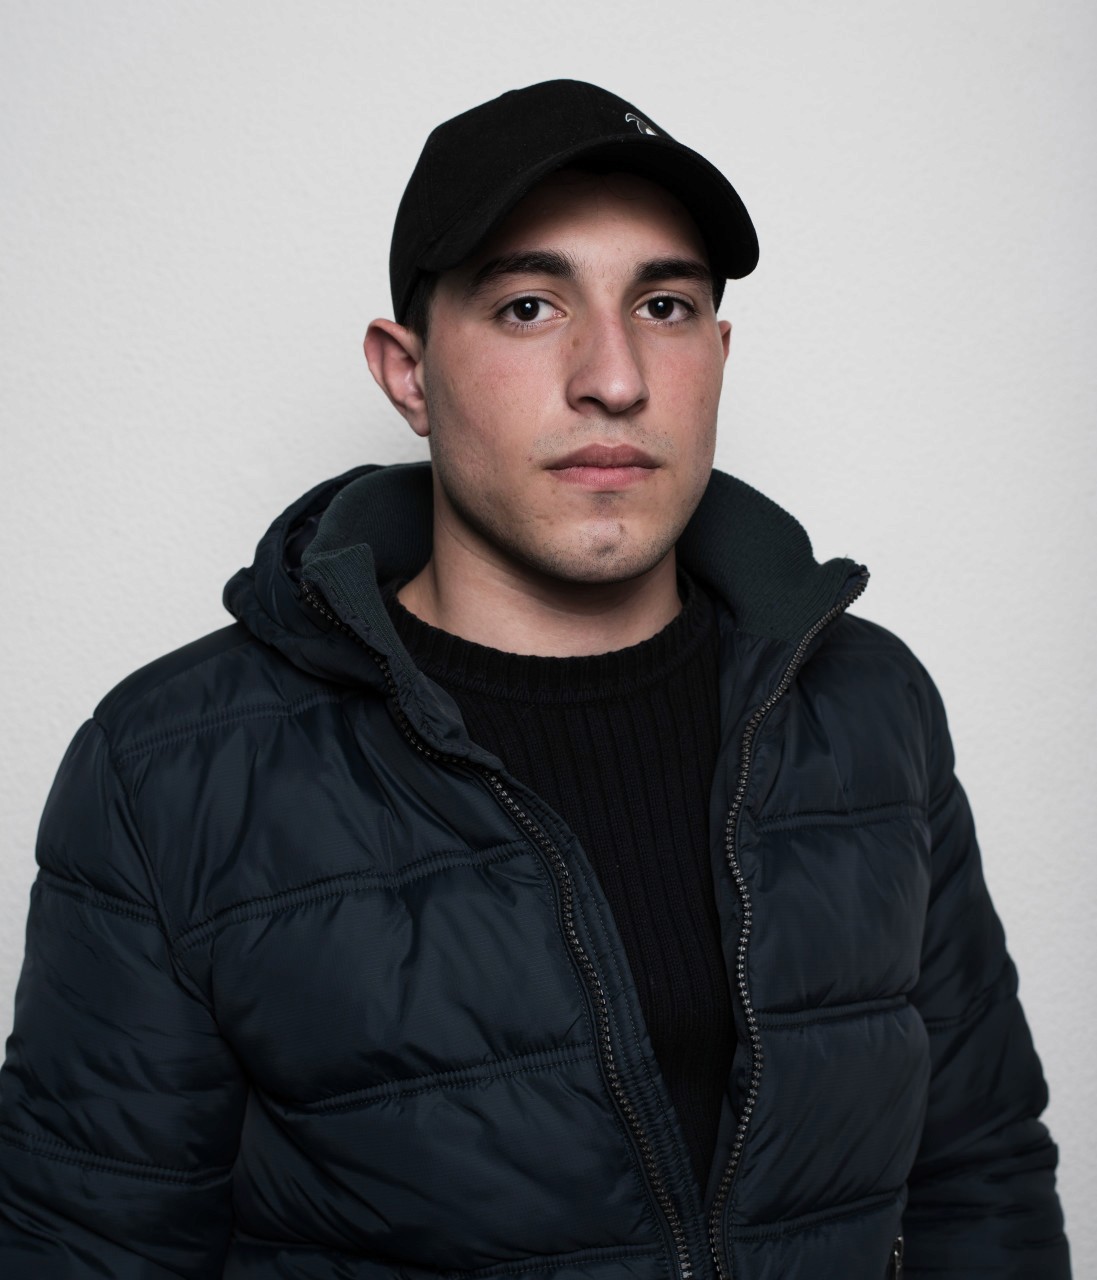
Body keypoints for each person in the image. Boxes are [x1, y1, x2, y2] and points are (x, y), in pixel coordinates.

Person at [0, 79, 1069, 1279]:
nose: (612, 376)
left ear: (717, 357)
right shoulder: (171, 770)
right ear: (407, 373)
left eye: (662, 305)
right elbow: (88, 1247)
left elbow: (979, 1178)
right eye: (526, 306)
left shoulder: (866, 705)